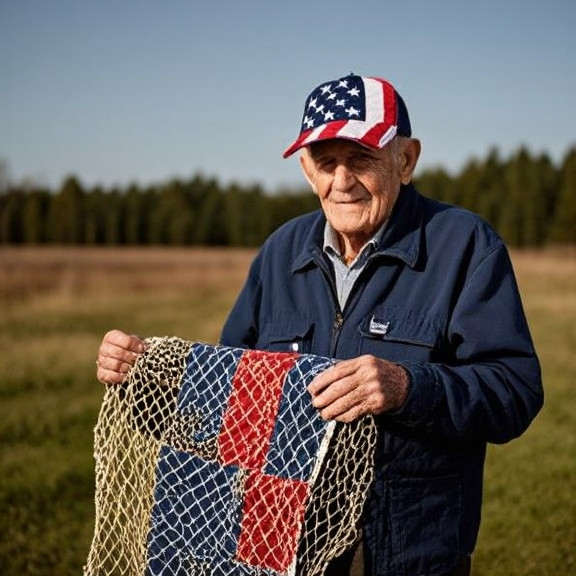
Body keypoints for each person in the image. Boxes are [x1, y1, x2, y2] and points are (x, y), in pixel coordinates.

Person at [96, 74, 543, 576]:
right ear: (307, 170)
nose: (342, 181)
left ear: (406, 160)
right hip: (280, 548)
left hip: (409, 551)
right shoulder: (279, 252)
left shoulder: (464, 245)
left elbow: (515, 390)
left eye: (362, 159)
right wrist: (147, 379)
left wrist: (407, 386)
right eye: (326, 162)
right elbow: (224, 411)